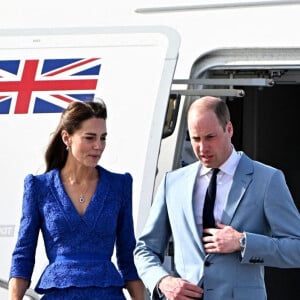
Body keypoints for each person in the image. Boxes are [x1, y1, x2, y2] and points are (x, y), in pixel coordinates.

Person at [134, 96, 300, 300]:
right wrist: (162, 282)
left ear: (229, 129)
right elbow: (144, 250)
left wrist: (242, 241)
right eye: (196, 139)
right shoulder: (173, 182)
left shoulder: (267, 179)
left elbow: (296, 248)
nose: (202, 148)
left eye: (210, 137)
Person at [8, 100, 145, 300]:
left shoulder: (119, 185)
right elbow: (23, 255)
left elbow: (128, 257)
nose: (98, 146)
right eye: (90, 138)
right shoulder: (39, 187)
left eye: (103, 138)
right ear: (67, 138)